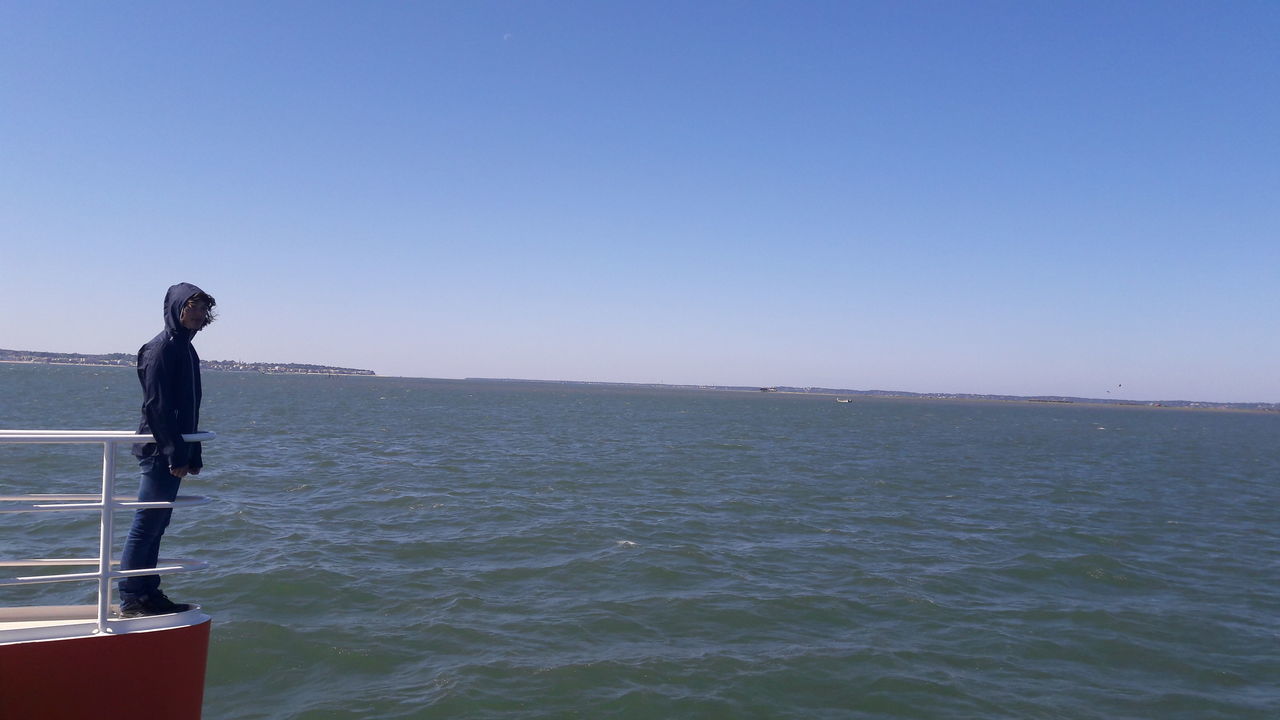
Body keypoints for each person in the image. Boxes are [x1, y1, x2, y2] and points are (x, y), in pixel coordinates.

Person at [119, 283, 216, 617]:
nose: (199, 314)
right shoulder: (160, 349)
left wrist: (193, 453)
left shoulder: (185, 350)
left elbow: (189, 408)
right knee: (146, 524)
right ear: (177, 307)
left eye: (204, 309)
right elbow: (156, 408)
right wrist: (175, 453)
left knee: (158, 524)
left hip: (172, 449)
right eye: (193, 307)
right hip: (158, 449)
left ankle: (148, 590)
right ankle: (133, 595)